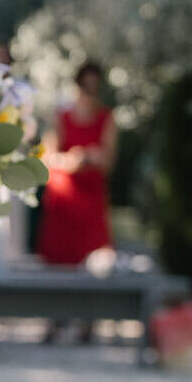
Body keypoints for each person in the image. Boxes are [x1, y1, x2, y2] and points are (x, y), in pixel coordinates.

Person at [37, 60, 117, 266]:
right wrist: (71, 160)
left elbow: (108, 161)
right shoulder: (61, 118)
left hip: (91, 204)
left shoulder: (106, 118)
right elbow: (46, 158)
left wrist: (90, 159)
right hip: (63, 204)